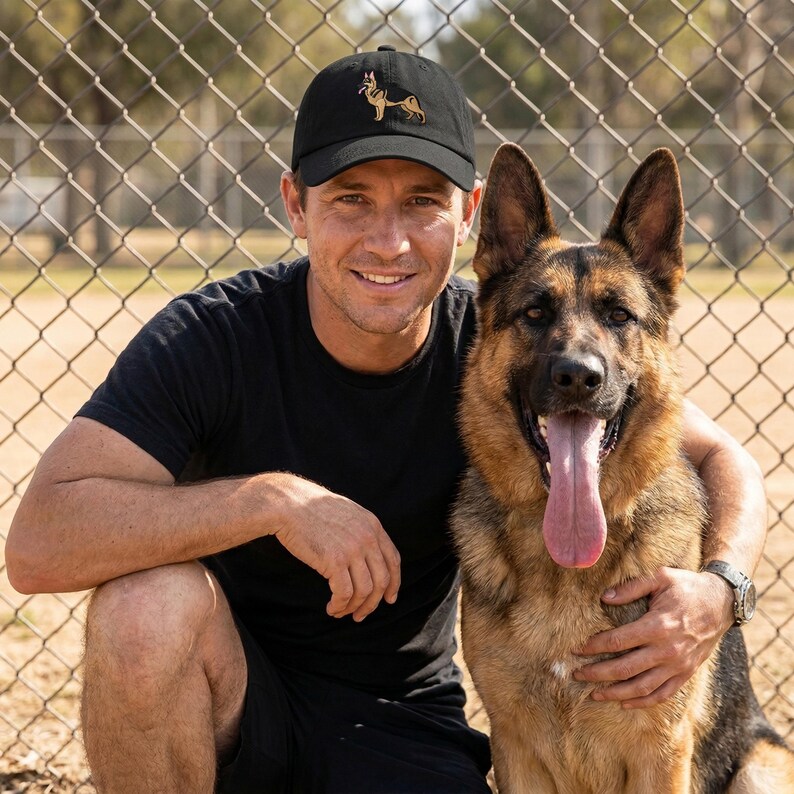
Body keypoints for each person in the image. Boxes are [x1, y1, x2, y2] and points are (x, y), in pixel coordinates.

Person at [6, 46, 767, 793]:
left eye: (422, 202)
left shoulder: (506, 343)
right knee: (145, 608)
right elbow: (40, 547)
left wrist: (721, 590)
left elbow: (720, 456)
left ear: (469, 218)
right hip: (228, 703)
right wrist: (272, 502)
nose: (389, 240)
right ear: (294, 205)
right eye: (351, 198)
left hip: (398, 726)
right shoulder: (212, 338)